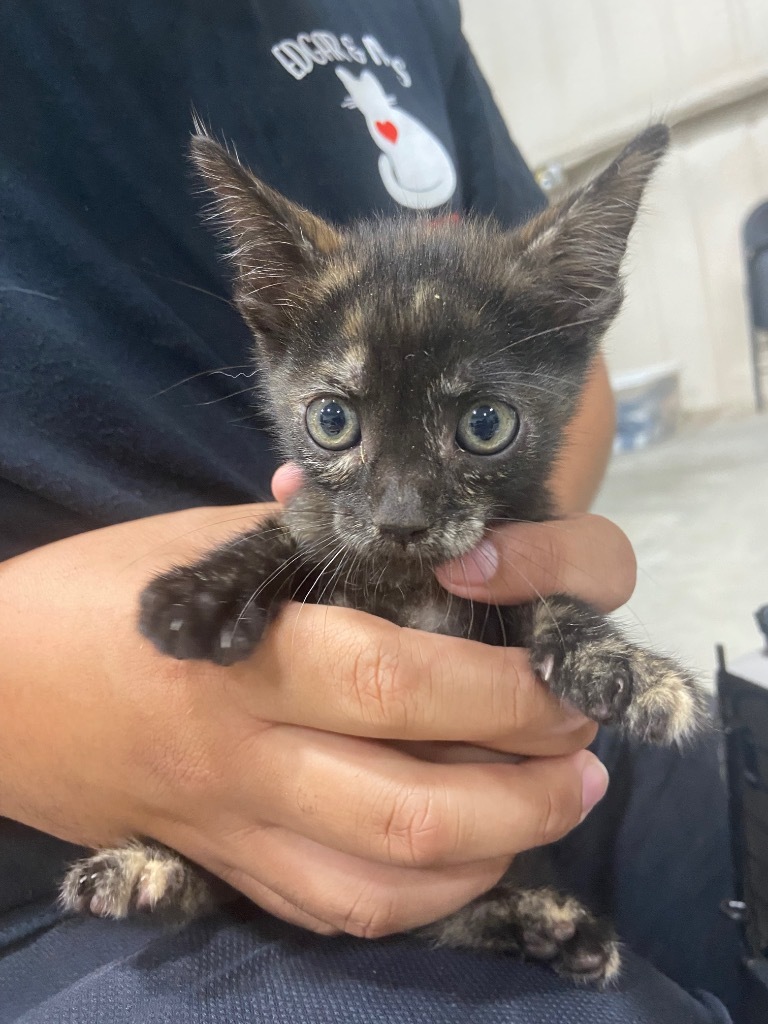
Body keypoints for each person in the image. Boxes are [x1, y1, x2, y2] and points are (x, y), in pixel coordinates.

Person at [0, 1, 749, 1021]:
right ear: (269, 316)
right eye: (339, 424)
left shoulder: (404, 13)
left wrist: (516, 594)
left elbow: (588, 398)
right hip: (66, 809)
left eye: (479, 426)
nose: (398, 512)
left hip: (497, 696)